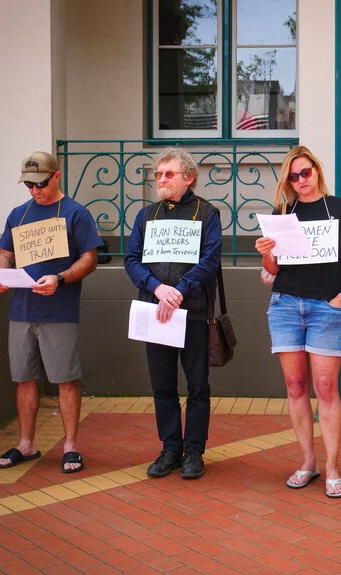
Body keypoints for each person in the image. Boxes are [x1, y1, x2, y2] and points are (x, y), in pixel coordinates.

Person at [255, 145, 341, 498]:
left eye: (305, 172)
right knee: (294, 385)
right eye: (293, 176)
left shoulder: (339, 208)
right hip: (286, 304)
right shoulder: (283, 213)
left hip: (326, 307)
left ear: (317, 171)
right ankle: (308, 462)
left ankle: (333, 467)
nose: (301, 180)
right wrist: (266, 254)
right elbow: (275, 270)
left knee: (325, 388)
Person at [0, 151, 103, 473]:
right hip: (21, 310)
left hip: (59, 310)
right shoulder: (19, 214)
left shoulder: (75, 213)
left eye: (40, 183)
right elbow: (5, 254)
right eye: (28, 184)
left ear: (56, 176)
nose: (35, 190)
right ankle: (26, 444)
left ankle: (70, 446)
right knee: (23, 379)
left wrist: (60, 278)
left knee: (66, 379)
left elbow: (89, 259)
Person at [124, 148, 221, 480]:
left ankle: (194, 450)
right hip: (156, 312)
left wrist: (180, 288)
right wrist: (156, 287)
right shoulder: (146, 215)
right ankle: (170, 448)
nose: (161, 179)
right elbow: (132, 260)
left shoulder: (207, 214)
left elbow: (210, 260)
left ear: (188, 177)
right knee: (162, 385)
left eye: (168, 174)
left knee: (197, 386)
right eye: (158, 175)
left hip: (191, 312)